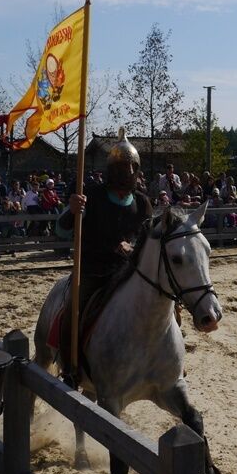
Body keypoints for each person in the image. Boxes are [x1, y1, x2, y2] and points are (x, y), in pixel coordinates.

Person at [57, 128, 151, 375]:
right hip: (93, 271)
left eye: (132, 167)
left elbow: (147, 241)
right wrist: (72, 210)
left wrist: (133, 248)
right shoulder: (93, 196)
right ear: (113, 169)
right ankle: (69, 365)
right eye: (123, 167)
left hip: (127, 272)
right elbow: (61, 230)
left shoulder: (142, 202)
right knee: (73, 311)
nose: (128, 172)